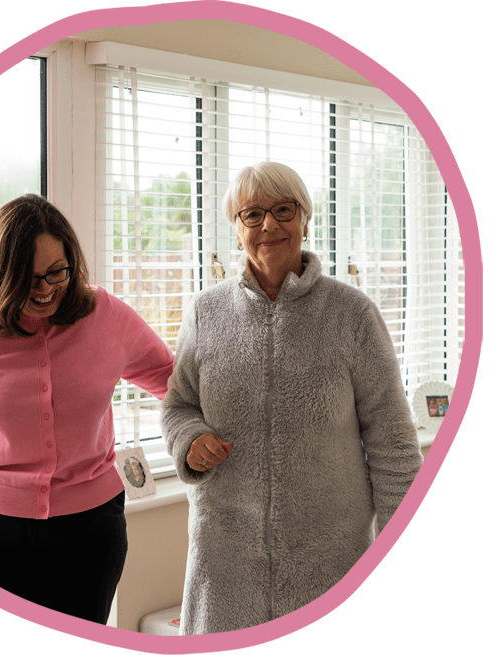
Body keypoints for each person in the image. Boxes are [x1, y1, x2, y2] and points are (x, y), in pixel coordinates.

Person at [161, 162, 423, 635]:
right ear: (236, 228)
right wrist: (189, 439)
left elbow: (393, 443)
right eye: (252, 214)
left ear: (305, 218)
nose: (268, 225)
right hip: (225, 560)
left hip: (330, 561)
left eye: (283, 210)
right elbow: (179, 405)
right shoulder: (205, 312)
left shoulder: (353, 316)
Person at [0, 194, 174, 624]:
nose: (46, 290)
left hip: (89, 535)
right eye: (29, 279)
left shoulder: (106, 316)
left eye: (57, 273)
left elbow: (172, 380)